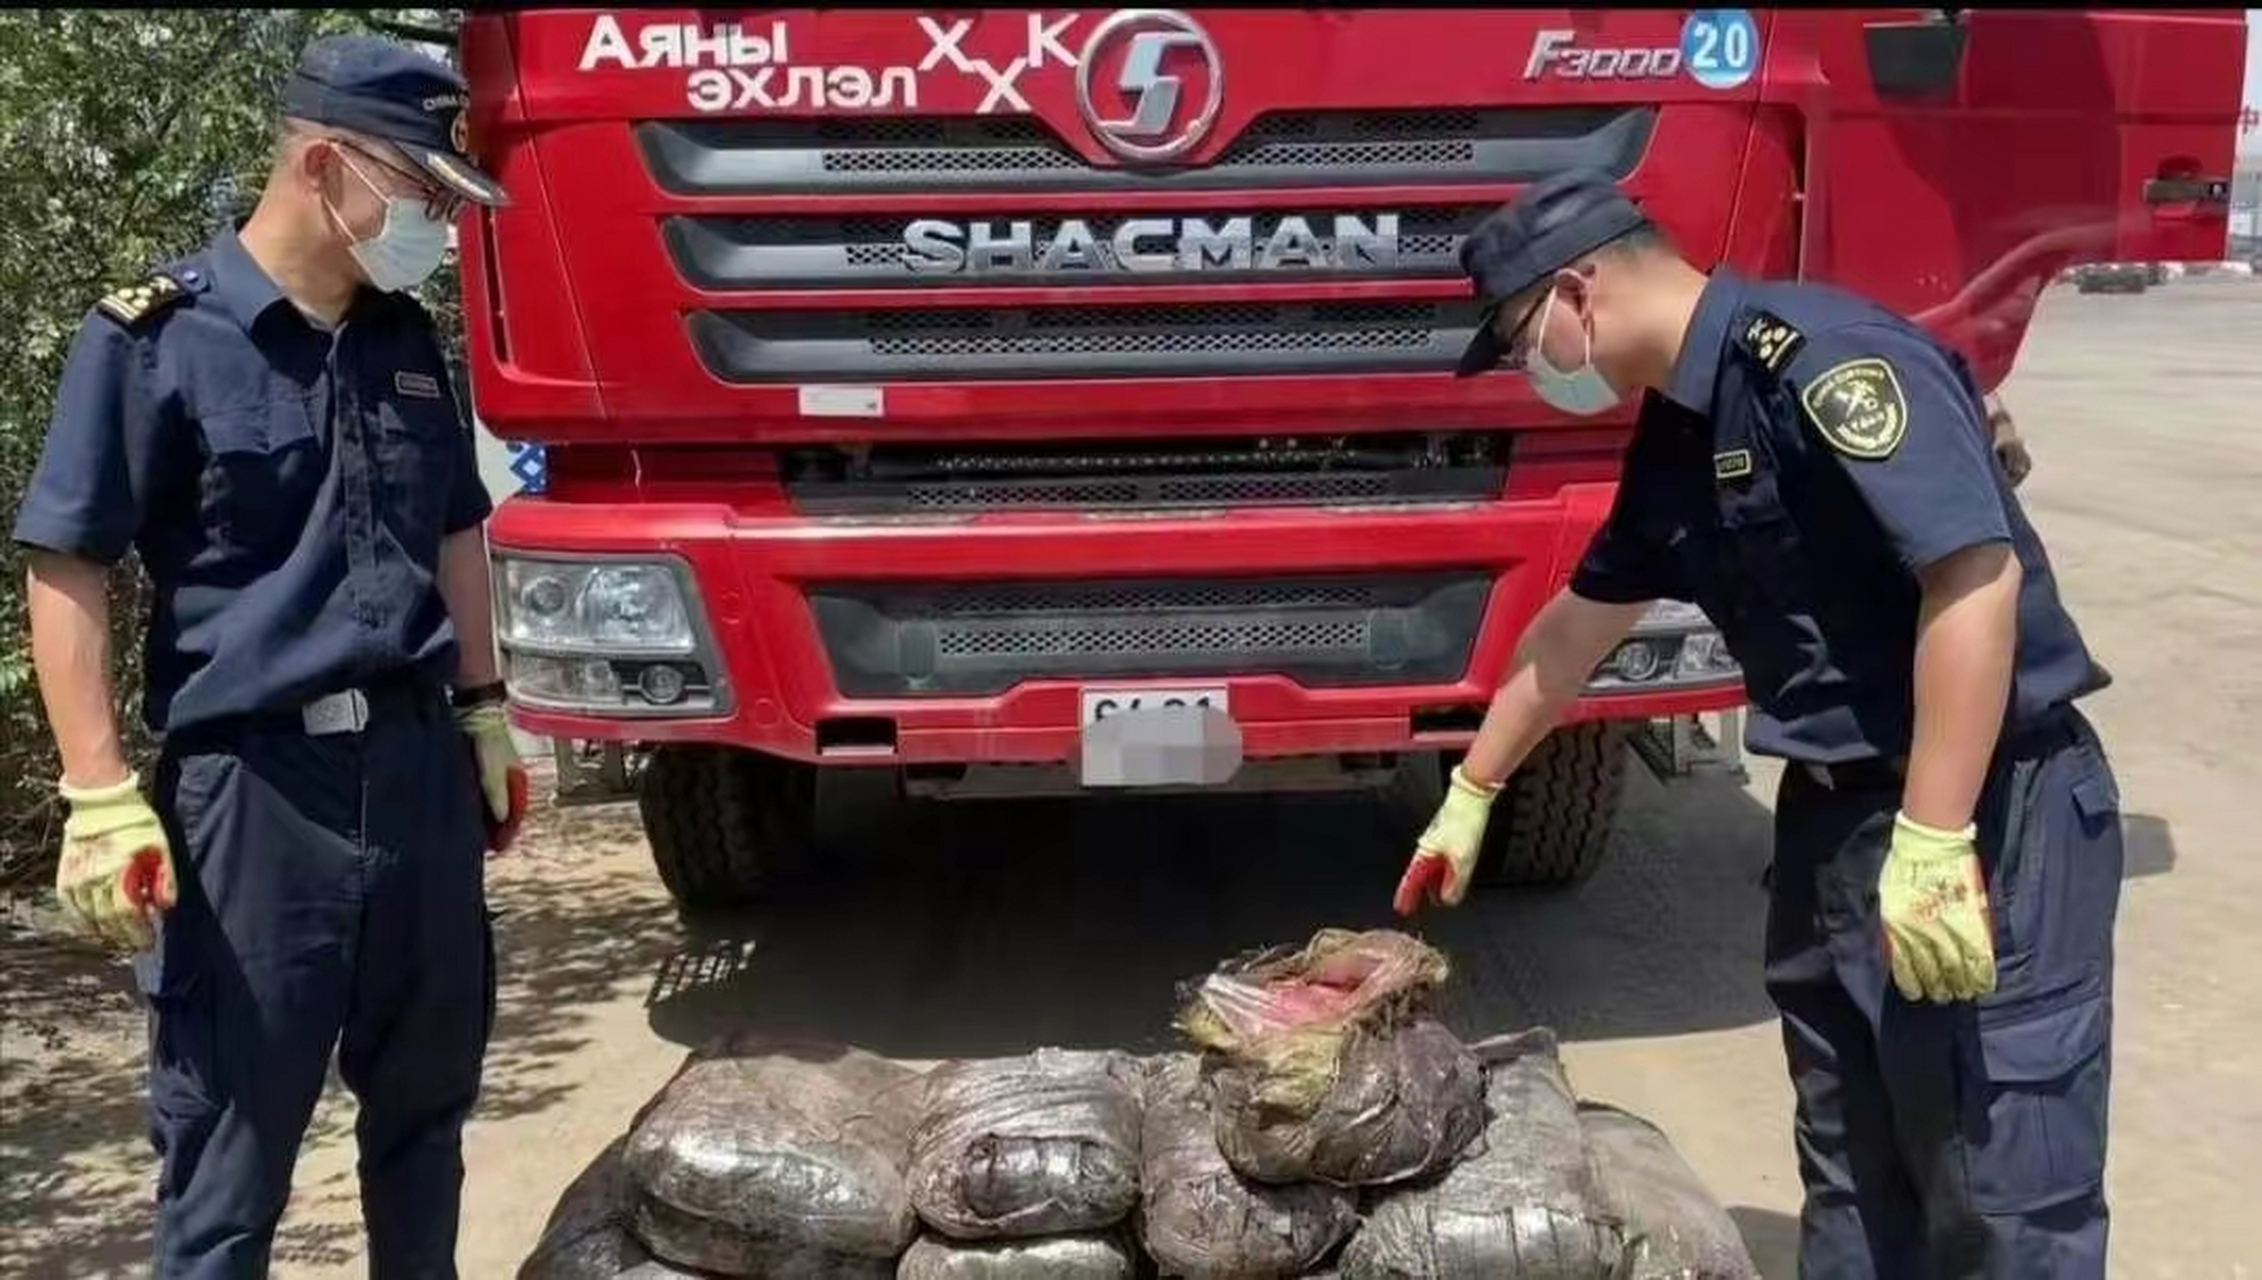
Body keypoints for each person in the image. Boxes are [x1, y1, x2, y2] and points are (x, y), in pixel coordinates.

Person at [1397, 170, 2121, 1279]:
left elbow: (1973, 577)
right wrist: (1473, 790)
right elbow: (1575, 629)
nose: (1533, 370)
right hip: (1835, 819)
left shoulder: (1822, 364)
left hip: (1987, 812)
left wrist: (1934, 834)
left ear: (1578, 294)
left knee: (1999, 1183)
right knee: (1852, 1163)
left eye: (1521, 335)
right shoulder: (1680, 433)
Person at [14, 34, 528, 1276]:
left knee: (425, 1123)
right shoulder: (155, 340)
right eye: (419, 192)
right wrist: (98, 789)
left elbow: (456, 528)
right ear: (324, 164)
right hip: (254, 803)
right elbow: (67, 564)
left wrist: (484, 707)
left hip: (415, 780)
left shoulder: (407, 346)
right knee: (231, 1157)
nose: (433, 226)